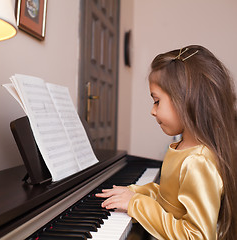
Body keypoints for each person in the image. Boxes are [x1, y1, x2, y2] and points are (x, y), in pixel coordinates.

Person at [96, 45, 237, 240]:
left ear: (184, 100)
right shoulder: (183, 148)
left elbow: (197, 236)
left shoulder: (198, 162)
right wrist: (133, 192)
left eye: (156, 101)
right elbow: (168, 198)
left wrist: (136, 203)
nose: (152, 111)